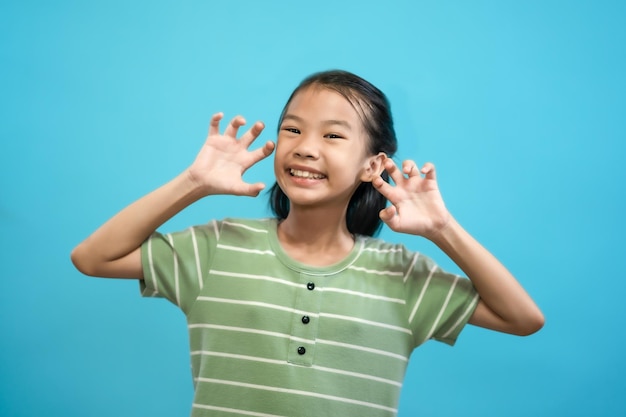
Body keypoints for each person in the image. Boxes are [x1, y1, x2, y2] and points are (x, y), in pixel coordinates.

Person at [71, 70, 544, 417]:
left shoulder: (402, 277)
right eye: (292, 129)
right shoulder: (217, 248)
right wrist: (194, 183)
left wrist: (443, 229)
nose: (305, 146)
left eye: (333, 135)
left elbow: (522, 318)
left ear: (371, 164)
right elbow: (92, 258)